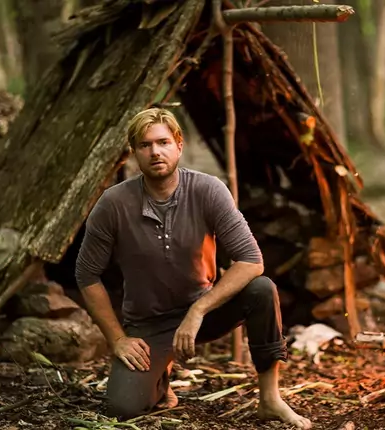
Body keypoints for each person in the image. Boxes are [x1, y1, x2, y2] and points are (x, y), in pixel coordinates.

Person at [75, 108, 312, 429]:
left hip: (205, 312)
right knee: (122, 408)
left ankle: (270, 399)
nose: (155, 152)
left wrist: (199, 310)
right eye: (145, 145)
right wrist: (117, 339)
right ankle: (160, 382)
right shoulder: (113, 204)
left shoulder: (207, 190)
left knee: (261, 289)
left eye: (162, 142)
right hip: (149, 325)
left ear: (178, 145)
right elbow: (86, 275)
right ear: (134, 153)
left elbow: (251, 261)